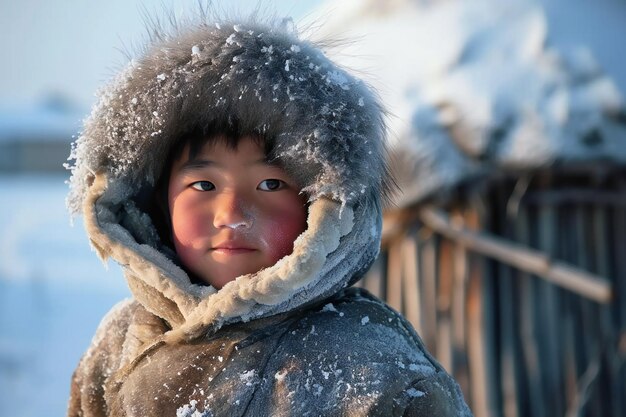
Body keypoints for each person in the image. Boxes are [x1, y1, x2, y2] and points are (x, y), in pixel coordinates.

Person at [66, 11, 472, 417]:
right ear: (155, 201)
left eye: (270, 185)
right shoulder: (121, 346)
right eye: (203, 186)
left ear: (324, 211)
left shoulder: (377, 373)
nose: (232, 215)